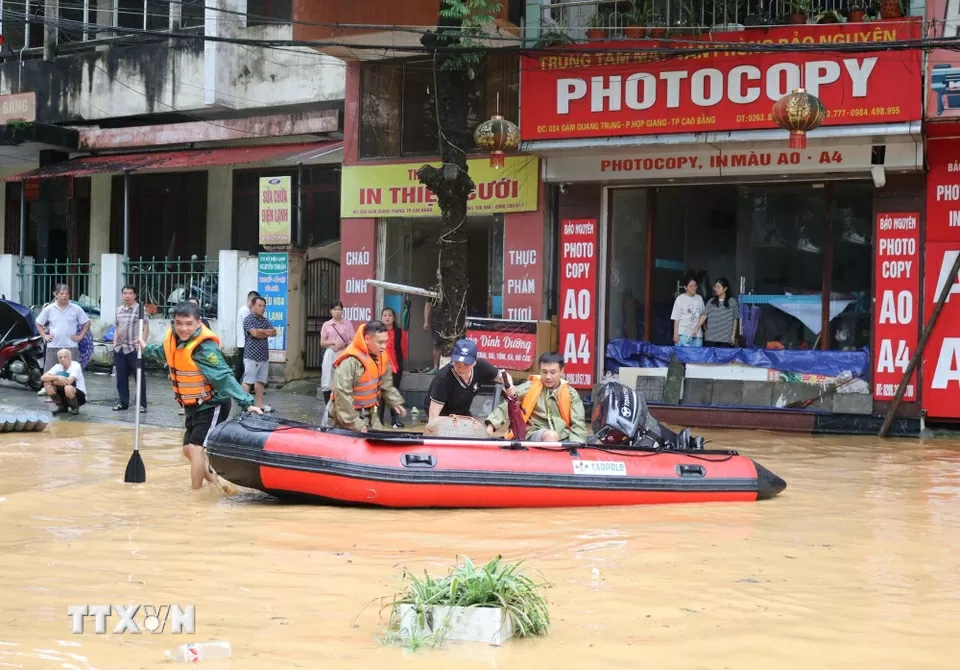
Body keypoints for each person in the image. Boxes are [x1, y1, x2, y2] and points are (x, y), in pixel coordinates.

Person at [138, 302, 262, 491]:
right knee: (188, 450)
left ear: (198, 324)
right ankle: (220, 484)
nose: (183, 328)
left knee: (196, 449)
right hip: (191, 405)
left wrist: (246, 403)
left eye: (188, 323)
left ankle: (195, 496)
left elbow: (224, 377)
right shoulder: (173, 339)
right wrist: (145, 348)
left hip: (212, 404)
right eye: (179, 323)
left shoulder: (205, 348)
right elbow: (163, 353)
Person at [484, 352, 588, 443]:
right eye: (544, 372)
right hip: (534, 433)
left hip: (563, 436)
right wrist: (491, 426)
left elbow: (578, 423)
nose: (548, 376)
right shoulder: (529, 387)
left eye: (552, 372)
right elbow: (509, 403)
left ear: (561, 371)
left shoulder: (571, 393)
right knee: (551, 436)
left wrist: (576, 445)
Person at [327, 320, 406, 432]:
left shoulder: (381, 357)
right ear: (367, 339)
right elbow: (342, 395)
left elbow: (386, 385)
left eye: (386, 342)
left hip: (370, 413)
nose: (384, 346)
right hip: (348, 415)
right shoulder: (350, 361)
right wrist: (356, 423)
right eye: (380, 342)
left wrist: (395, 401)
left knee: (378, 442)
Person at [425, 339, 513, 422]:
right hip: (442, 412)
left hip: (462, 410)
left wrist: (510, 387)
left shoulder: (481, 366)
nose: (461, 367)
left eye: (466, 364)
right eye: (457, 362)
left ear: (474, 362)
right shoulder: (443, 378)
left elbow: (503, 376)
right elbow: (433, 415)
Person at [36, 284, 90, 373]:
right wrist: (44, 335)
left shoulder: (76, 308)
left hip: (71, 347)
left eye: (67, 294)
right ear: (55, 294)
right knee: (49, 376)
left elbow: (87, 323)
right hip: (53, 346)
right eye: (61, 293)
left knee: (71, 375)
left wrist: (80, 337)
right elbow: (38, 323)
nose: (64, 296)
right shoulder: (49, 309)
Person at [113, 285, 148, 413]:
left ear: (135, 295)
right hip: (120, 348)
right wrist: (114, 343)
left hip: (134, 348)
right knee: (121, 377)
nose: (127, 296)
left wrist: (142, 344)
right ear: (122, 295)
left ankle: (142, 404)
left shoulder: (140, 309)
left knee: (139, 377)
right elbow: (117, 327)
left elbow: (145, 327)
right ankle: (123, 402)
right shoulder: (119, 310)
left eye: (130, 293)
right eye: (125, 293)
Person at [242, 295, 276, 413]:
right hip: (251, 355)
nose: (262, 308)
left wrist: (261, 332)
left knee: (260, 381)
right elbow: (254, 333)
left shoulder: (265, 320)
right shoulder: (248, 319)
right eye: (259, 306)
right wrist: (264, 332)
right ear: (253, 306)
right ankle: (244, 404)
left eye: (264, 306)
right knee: (248, 381)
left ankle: (260, 404)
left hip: (263, 355)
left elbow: (274, 332)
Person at [320, 301, 355, 406]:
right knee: (327, 379)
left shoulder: (348, 324)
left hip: (343, 354)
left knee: (343, 379)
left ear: (342, 310)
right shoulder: (327, 325)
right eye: (334, 309)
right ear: (331, 311)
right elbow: (322, 342)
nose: (337, 312)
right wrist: (332, 342)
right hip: (330, 353)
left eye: (339, 309)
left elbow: (353, 340)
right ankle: (328, 407)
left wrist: (344, 344)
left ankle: (341, 406)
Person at [379, 307, 408, 429]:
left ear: (393, 318)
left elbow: (404, 351)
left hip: (395, 368)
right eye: (384, 315)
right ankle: (379, 420)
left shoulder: (401, 333)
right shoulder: (377, 332)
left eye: (389, 315)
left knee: (394, 392)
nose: (387, 317)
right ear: (381, 318)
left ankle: (395, 420)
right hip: (380, 367)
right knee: (380, 394)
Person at [40, 348, 87, 415]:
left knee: (67, 387)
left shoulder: (75, 365)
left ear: (70, 357)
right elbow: (43, 378)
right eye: (60, 357)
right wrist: (58, 377)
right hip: (63, 394)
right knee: (47, 385)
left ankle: (75, 408)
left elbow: (68, 382)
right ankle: (61, 406)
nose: (62, 359)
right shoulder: (57, 366)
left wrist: (52, 381)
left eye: (65, 357)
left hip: (78, 396)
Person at [697, 276, 739, 348]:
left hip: (726, 339)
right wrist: (697, 328)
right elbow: (704, 315)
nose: (716, 289)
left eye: (719, 287)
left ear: (725, 288)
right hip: (711, 339)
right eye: (715, 287)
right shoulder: (711, 301)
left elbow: (735, 319)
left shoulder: (732, 301)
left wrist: (733, 335)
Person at [671, 274, 704, 347]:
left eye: (695, 285)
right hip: (683, 334)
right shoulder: (680, 299)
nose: (694, 288)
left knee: (697, 357)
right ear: (685, 287)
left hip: (697, 335)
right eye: (691, 286)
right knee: (683, 357)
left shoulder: (699, 298)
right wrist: (675, 333)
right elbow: (676, 318)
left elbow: (703, 315)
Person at [235, 291, 259, 383]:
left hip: (245, 343)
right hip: (244, 343)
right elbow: (249, 327)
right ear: (251, 301)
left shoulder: (248, 311)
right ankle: (240, 384)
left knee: (242, 366)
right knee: (243, 366)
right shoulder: (245, 310)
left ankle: (241, 384)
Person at [423, 292, 444, 374]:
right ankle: (435, 367)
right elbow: (428, 305)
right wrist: (426, 321)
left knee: (449, 344)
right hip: (436, 321)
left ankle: (445, 366)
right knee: (437, 344)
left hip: (450, 321)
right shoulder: (434, 289)